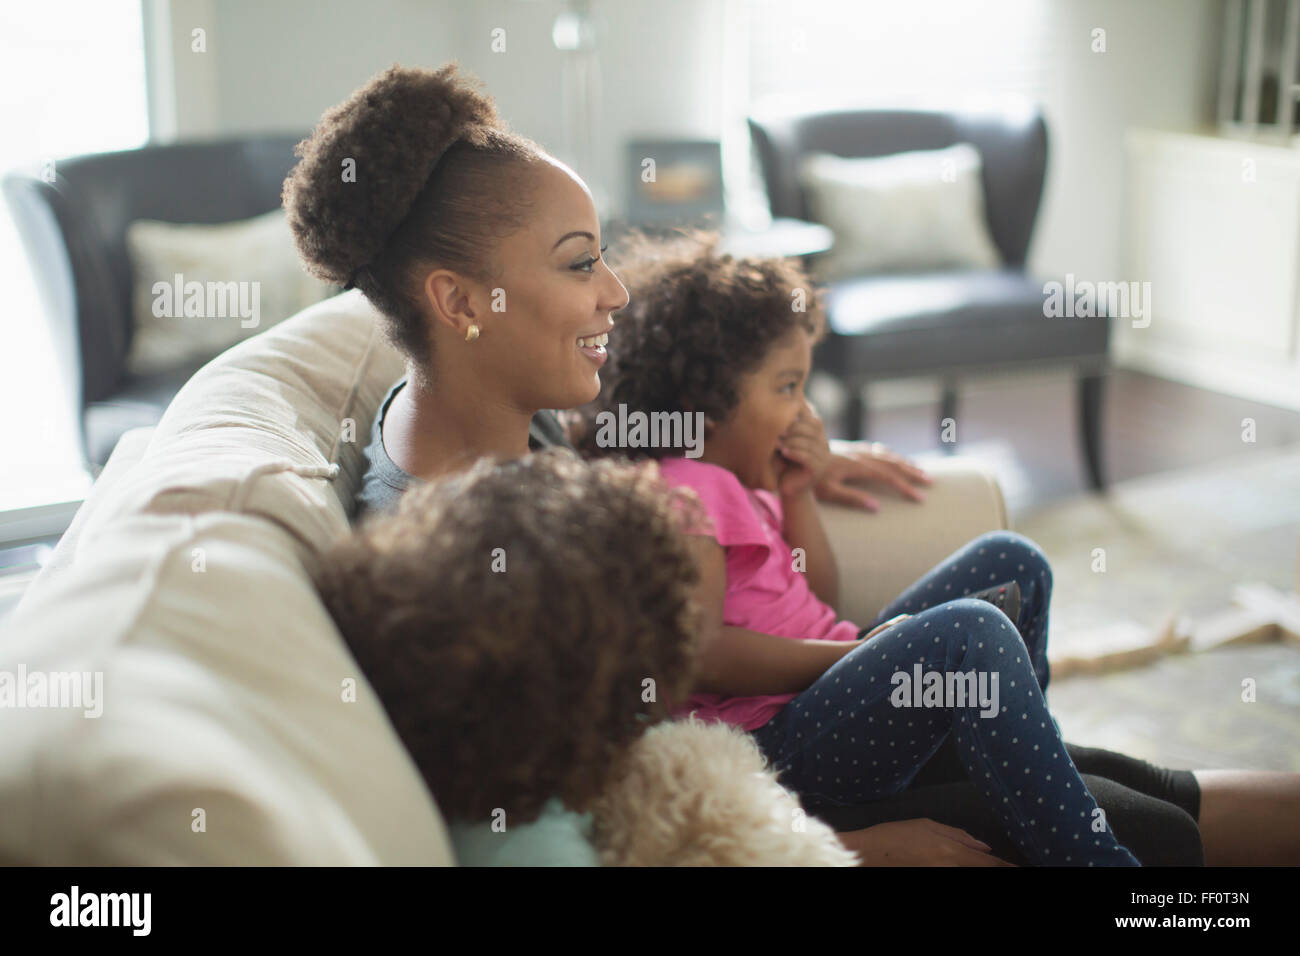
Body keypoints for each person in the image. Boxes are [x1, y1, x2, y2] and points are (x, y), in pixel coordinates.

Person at [283, 62, 1297, 866]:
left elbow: (653, 451)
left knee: (1135, 773)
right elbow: (579, 810)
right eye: (579, 263)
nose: (615, 298)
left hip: (805, 728)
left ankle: (992, 741)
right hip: (773, 782)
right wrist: (845, 846)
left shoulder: (506, 425)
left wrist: (790, 448)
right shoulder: (440, 548)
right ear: (460, 302)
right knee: (1140, 818)